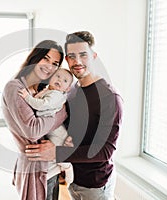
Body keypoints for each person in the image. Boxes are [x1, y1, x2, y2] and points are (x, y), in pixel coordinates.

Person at [25, 31, 123, 200]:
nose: (77, 61)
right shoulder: (71, 90)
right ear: (67, 60)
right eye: (72, 56)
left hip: (95, 184)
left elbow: (106, 151)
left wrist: (57, 153)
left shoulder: (109, 97)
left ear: (93, 56)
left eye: (83, 55)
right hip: (72, 179)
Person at [2, 40, 68, 200]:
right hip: (36, 167)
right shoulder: (15, 87)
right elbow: (33, 131)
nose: (49, 66)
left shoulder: (42, 89)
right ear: (34, 58)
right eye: (45, 58)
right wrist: (60, 114)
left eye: (55, 63)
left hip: (51, 167)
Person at [18, 68, 75, 200]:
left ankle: (67, 166)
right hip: (50, 129)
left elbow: (42, 105)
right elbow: (39, 98)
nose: (60, 80)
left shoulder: (56, 95)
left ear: (66, 89)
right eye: (58, 76)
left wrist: (27, 97)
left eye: (65, 80)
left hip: (56, 132)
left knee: (56, 149)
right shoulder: (50, 90)